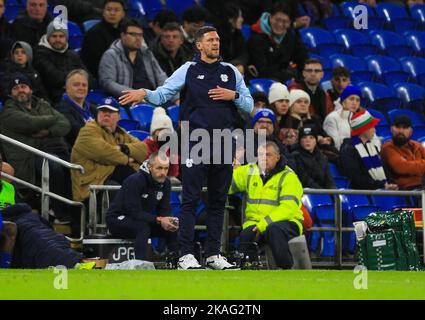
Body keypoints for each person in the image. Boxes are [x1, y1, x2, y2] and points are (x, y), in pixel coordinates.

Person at [119, 26, 253, 270]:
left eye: (218, 39)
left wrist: (232, 96)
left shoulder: (231, 72)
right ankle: (185, 255)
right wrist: (144, 93)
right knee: (190, 199)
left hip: (224, 141)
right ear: (199, 45)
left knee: (218, 201)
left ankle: (213, 255)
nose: (216, 43)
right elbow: (162, 95)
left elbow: (249, 105)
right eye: (211, 40)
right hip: (195, 142)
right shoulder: (188, 70)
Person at [0, 74, 73, 223]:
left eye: (23, 86)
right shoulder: (7, 113)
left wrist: (47, 131)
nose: (20, 90)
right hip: (26, 159)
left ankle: (73, 213)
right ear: (10, 94)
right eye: (15, 88)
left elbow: (65, 124)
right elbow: (30, 123)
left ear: (30, 89)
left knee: (72, 167)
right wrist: (53, 119)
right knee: (52, 165)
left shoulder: (42, 104)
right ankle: (56, 211)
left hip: (48, 151)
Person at [229, 141, 304, 269]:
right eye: (260, 155)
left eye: (268, 155)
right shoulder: (249, 171)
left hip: (288, 222)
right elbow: (227, 185)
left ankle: (286, 268)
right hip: (255, 223)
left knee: (273, 230)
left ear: (277, 157)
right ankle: (247, 268)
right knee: (246, 234)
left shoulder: (289, 177)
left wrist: (263, 224)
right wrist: (230, 169)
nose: (264, 158)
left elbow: (288, 208)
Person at [71, 97, 148, 203]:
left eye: (111, 111)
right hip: (92, 186)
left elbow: (143, 150)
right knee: (119, 188)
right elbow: (103, 153)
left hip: (109, 178)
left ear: (119, 116)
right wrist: (128, 159)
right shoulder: (88, 130)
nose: (106, 114)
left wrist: (123, 148)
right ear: (97, 114)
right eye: (103, 111)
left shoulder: (121, 133)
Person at [106, 152, 179, 262]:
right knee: (143, 227)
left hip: (140, 219)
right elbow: (133, 211)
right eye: (159, 168)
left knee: (172, 227)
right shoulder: (135, 180)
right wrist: (159, 219)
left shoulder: (165, 183)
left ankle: (177, 261)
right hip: (117, 219)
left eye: (166, 169)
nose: (163, 173)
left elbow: (164, 210)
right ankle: (142, 264)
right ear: (150, 167)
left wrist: (168, 220)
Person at [98, 19, 167, 98]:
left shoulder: (147, 53)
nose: (138, 38)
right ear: (122, 35)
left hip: (150, 97)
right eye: (133, 34)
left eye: (140, 35)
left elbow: (161, 76)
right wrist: (132, 94)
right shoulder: (111, 55)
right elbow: (107, 82)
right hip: (126, 100)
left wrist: (175, 97)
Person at [248, 2, 308, 84]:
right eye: (277, 20)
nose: (280, 24)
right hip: (267, 81)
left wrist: (304, 74)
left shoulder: (290, 35)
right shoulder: (257, 36)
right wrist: (288, 76)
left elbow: (302, 56)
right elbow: (262, 69)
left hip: (285, 77)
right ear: (270, 17)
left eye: (284, 21)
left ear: (290, 22)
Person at [340, 110, 398, 190]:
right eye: (372, 127)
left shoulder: (372, 147)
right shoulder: (348, 150)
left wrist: (391, 183)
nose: (374, 130)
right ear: (363, 129)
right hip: (363, 194)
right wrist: (381, 185)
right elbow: (356, 178)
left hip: (380, 190)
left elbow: (384, 169)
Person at [33, 21, 89, 104]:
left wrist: (72, 83)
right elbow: (56, 79)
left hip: (77, 98)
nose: (58, 40)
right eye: (54, 36)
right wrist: (78, 80)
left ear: (66, 38)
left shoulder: (72, 54)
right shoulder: (40, 54)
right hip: (54, 100)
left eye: (61, 36)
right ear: (48, 37)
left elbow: (88, 78)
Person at [80, 0, 126, 78]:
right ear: (103, 12)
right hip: (101, 76)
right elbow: (95, 63)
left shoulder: (125, 31)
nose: (112, 13)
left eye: (116, 10)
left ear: (123, 14)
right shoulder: (94, 33)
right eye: (109, 9)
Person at [381, 115, 425, 190]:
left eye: (405, 128)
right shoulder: (387, 147)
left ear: (411, 131)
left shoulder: (416, 145)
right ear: (391, 129)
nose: (401, 131)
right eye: (398, 127)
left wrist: (412, 164)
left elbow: (407, 166)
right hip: (405, 190)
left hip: (421, 186)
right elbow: (401, 167)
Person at [56, 69, 97, 148]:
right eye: (76, 85)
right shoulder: (61, 110)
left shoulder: (94, 108)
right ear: (66, 87)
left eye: (84, 85)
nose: (81, 88)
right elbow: (78, 134)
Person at [288, 58, 334, 123]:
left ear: (322, 74)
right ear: (304, 73)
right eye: (309, 71)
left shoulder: (324, 94)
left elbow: (330, 115)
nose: (313, 74)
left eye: (317, 71)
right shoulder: (295, 89)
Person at [143, 107, 179, 180]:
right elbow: (150, 169)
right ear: (154, 131)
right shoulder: (145, 145)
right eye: (160, 130)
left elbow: (174, 173)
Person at [323, 85, 361, 150]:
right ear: (343, 101)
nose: (354, 103)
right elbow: (335, 145)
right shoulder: (332, 118)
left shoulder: (359, 119)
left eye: (357, 100)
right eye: (351, 99)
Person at [0, 154, 17, 269]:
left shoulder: (9, 187)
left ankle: (4, 267)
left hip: (5, 219)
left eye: (0, 162)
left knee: (12, 228)